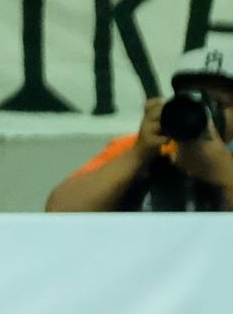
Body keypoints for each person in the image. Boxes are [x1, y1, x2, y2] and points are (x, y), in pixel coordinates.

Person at [46, 46, 233, 212]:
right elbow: (58, 211)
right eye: (193, 98)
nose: (203, 110)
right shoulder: (144, 146)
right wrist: (138, 154)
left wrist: (222, 169)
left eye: (218, 103)